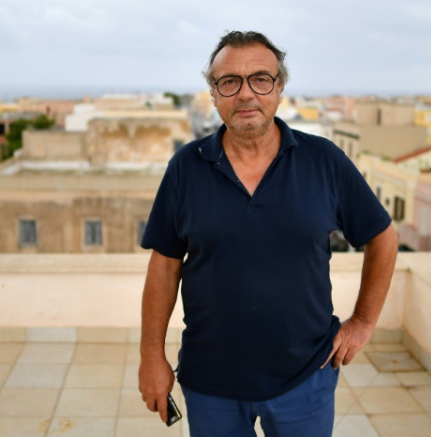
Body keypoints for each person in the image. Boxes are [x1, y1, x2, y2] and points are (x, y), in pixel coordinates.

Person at [138, 30, 398, 436]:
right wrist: (151, 356)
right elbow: (165, 265)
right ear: (214, 94)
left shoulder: (324, 160)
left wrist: (363, 321)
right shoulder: (186, 167)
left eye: (260, 79)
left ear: (279, 89)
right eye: (230, 81)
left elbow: (382, 237)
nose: (246, 94)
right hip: (210, 382)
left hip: (306, 377)